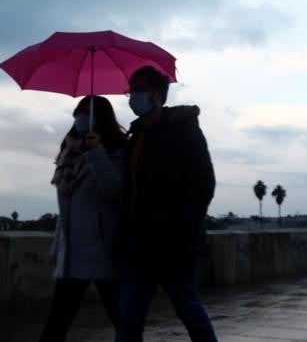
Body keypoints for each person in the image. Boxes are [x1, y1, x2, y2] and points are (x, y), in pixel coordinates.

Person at [115, 66, 217, 342]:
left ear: (158, 94)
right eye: (130, 90)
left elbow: (204, 181)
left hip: (174, 243)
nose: (132, 96)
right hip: (138, 242)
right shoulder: (136, 135)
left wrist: (182, 227)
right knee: (128, 318)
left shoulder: (182, 129)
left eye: (139, 90)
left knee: (189, 311)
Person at [39, 96, 128, 342]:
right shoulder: (69, 151)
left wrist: (97, 152)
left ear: (102, 119)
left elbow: (114, 190)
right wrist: (58, 246)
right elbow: (66, 207)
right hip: (72, 250)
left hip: (102, 247)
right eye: (78, 112)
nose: (80, 117)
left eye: (87, 113)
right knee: (57, 320)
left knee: (121, 318)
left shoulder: (117, 148)